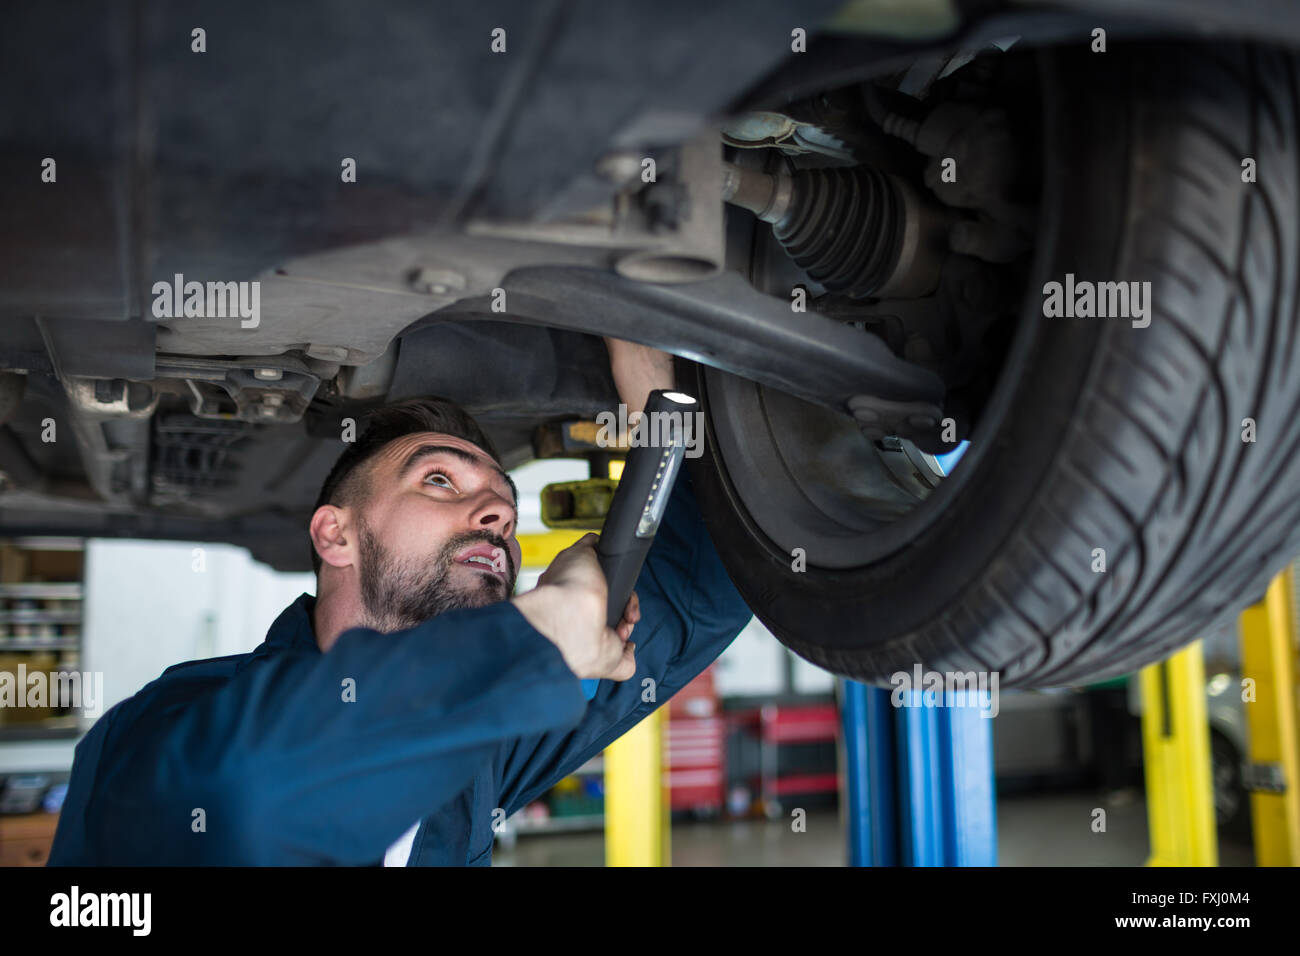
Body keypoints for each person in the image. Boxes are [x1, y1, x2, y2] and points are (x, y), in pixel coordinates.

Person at [47, 338, 753, 865]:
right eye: (440, 481)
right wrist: (540, 636)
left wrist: (654, 371)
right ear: (336, 534)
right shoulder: (161, 724)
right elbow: (246, 800)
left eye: (505, 504)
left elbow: (709, 584)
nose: (496, 514)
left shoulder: (481, 743)